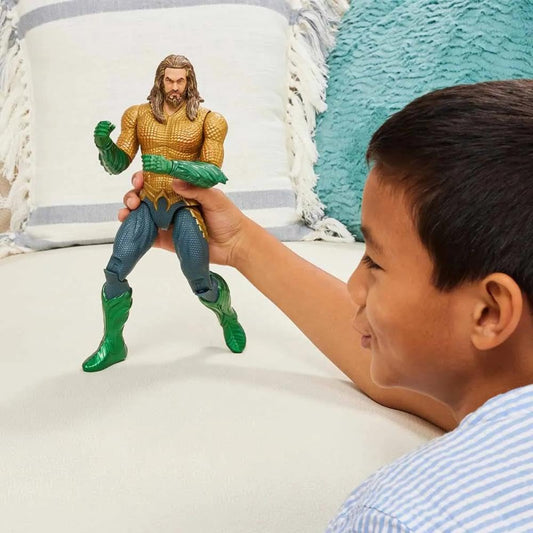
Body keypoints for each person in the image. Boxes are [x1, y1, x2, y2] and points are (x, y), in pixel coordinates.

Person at [120, 80, 533, 530]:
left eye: (375, 262)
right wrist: (240, 244)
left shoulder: (398, 516)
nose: (355, 286)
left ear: (490, 313)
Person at [83, 54, 246, 373]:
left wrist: (171, 166)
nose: (174, 87)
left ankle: (226, 314)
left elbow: (213, 172)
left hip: (184, 205)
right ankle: (113, 343)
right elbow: (118, 164)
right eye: (169, 80)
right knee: (115, 270)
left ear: (190, 82)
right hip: (148, 203)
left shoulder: (209, 120)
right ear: (160, 80)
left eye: (180, 81)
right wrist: (104, 145)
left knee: (199, 280)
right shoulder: (138, 115)